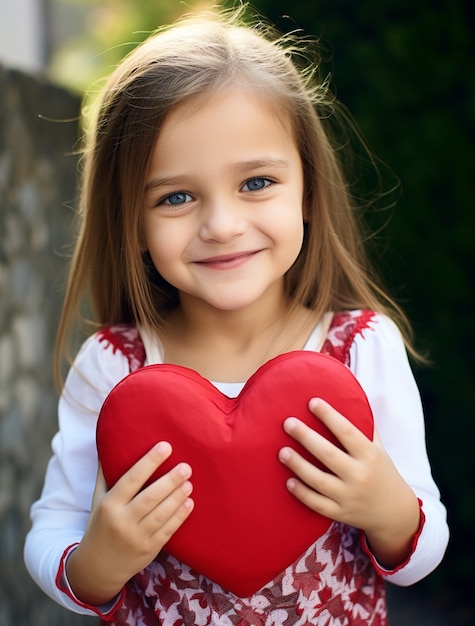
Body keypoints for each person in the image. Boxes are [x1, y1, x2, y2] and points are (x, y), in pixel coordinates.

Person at [24, 5, 449, 625]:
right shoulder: (115, 366)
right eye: (176, 196)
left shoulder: (361, 349)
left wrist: (387, 508)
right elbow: (51, 527)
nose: (222, 225)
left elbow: (423, 545)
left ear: (307, 187)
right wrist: (95, 561)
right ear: (131, 222)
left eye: (256, 183)